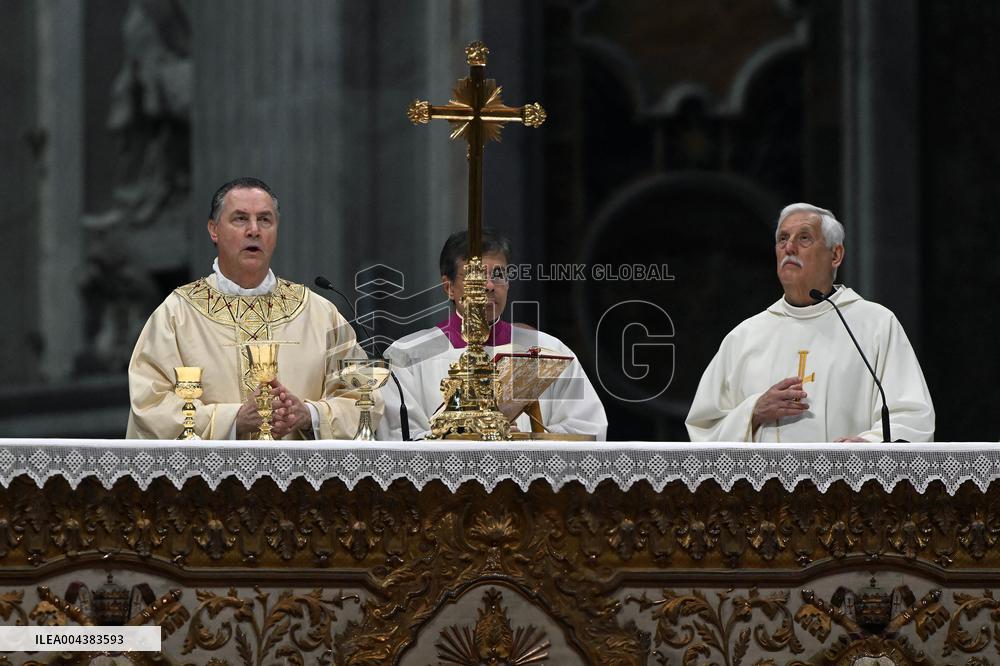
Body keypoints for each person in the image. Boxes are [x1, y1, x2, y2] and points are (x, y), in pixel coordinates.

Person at [127, 177, 379, 439]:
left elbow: (364, 397)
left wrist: (310, 415)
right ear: (214, 230)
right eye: (240, 219)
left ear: (276, 231)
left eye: (265, 220)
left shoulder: (320, 314)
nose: (254, 230)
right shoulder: (177, 315)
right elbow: (150, 404)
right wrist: (233, 420)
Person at [686, 203, 934, 443]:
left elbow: (911, 417)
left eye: (804, 238)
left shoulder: (875, 325)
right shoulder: (745, 337)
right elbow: (703, 429)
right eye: (782, 239)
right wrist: (754, 412)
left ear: (835, 254)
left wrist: (869, 445)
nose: (789, 247)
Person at [377, 230, 607, 440]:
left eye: (498, 275)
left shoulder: (549, 351)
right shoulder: (407, 356)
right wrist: (466, 437)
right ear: (449, 288)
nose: (488, 285)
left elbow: (587, 429)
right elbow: (399, 440)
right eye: (475, 276)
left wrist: (523, 439)